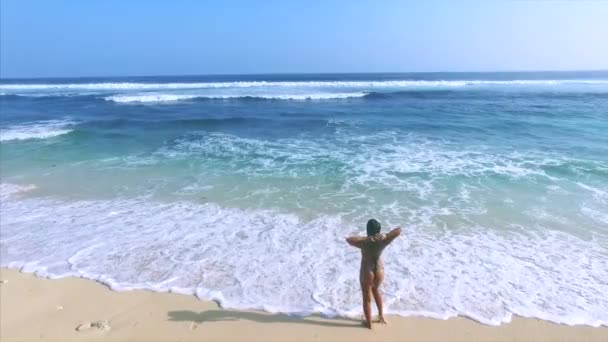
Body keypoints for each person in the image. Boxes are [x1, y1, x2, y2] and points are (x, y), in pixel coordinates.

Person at [346, 219, 401, 329]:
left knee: (366, 297)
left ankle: (369, 323)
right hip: (379, 270)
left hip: (367, 270)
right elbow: (398, 230)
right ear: (378, 230)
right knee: (376, 291)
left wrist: (366, 238)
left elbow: (349, 240)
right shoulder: (384, 240)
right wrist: (383, 235)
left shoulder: (364, 242)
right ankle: (381, 317)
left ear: (368, 230)